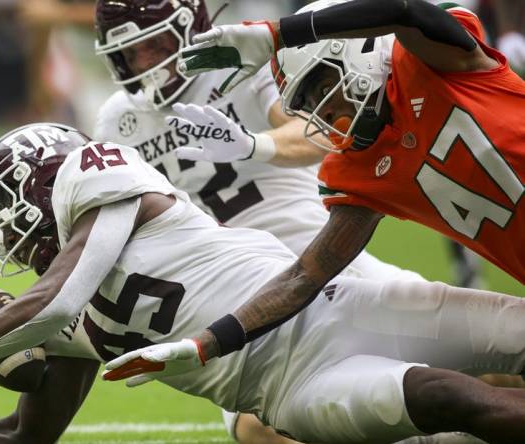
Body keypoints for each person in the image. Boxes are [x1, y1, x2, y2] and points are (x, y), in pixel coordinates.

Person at [0, 123, 525, 444]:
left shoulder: (111, 189)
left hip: (338, 302)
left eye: (9, 207)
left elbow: (54, 295)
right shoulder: (64, 330)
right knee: (447, 399)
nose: (5, 232)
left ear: (52, 189)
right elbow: (23, 440)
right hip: (294, 387)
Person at [103, 0, 524, 395]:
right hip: (244, 281)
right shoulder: (358, 171)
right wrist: (206, 344)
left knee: (485, 365)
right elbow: (304, 276)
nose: (319, 112)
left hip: (312, 249)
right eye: (306, 104)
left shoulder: (432, 64)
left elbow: (403, 11)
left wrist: (274, 37)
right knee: (263, 425)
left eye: (321, 86)